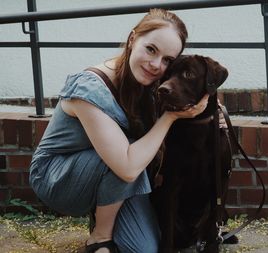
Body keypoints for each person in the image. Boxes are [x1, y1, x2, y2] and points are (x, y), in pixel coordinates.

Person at [29, 8, 210, 253]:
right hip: (59, 177)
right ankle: (100, 238)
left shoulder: (151, 82)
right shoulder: (90, 88)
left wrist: (211, 113)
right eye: (151, 49)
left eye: (167, 59)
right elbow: (127, 167)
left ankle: (106, 208)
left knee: (143, 249)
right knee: (124, 158)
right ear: (133, 39)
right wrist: (169, 117)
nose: (156, 65)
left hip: (117, 175)